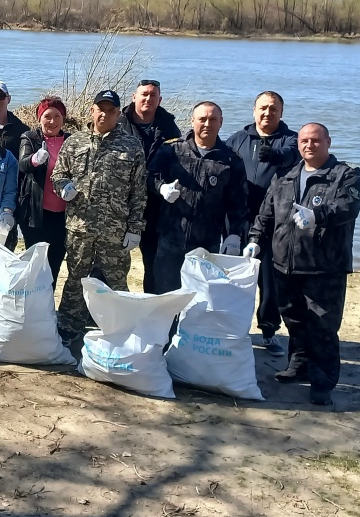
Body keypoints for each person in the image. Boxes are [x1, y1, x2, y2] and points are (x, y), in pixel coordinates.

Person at [243, 123, 360, 406]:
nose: (309, 145)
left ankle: (323, 382)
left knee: (322, 325)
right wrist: (255, 240)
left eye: (315, 140)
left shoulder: (345, 175)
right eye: (303, 141)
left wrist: (318, 215)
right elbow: (266, 214)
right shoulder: (286, 176)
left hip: (324, 267)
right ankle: (298, 366)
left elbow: (349, 207)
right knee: (294, 320)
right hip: (285, 264)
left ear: (328, 142)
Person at [51, 90, 147, 338]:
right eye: (100, 109)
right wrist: (65, 188)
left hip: (114, 230)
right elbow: (58, 175)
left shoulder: (131, 146)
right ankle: (69, 328)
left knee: (116, 283)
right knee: (75, 279)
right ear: (92, 110)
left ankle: (121, 330)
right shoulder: (75, 142)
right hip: (79, 227)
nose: (105, 114)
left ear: (118, 113)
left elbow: (138, 192)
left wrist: (135, 228)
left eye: (111, 110)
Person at [146, 101, 249, 294]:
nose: (207, 124)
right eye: (202, 119)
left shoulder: (230, 160)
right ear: (193, 121)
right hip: (170, 239)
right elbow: (149, 176)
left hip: (207, 244)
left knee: (199, 299)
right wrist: (161, 188)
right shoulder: (172, 150)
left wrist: (234, 235)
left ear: (221, 122)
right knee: (165, 296)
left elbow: (238, 203)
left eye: (213, 119)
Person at [226, 91, 300, 356]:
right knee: (233, 280)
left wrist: (275, 155)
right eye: (263, 108)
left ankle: (269, 331)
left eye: (273, 109)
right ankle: (233, 328)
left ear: (281, 112)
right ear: (254, 110)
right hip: (238, 220)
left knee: (270, 283)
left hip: (274, 225)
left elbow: (292, 155)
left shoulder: (291, 140)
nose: (268, 113)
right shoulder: (237, 139)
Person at [116, 79, 182, 292]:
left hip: (155, 206)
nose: (148, 99)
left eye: (153, 95)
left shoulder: (169, 127)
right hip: (120, 203)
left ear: (159, 100)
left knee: (153, 264)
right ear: (133, 97)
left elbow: (177, 164)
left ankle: (152, 311)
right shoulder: (118, 123)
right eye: (144, 94)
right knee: (112, 262)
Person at [16, 97, 70, 286]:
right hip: (36, 214)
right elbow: (23, 165)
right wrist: (35, 160)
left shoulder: (71, 141)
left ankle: (47, 311)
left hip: (64, 216)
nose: (52, 121)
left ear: (63, 118)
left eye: (57, 116)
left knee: (54, 264)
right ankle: (31, 307)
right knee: (36, 264)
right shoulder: (30, 138)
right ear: (39, 118)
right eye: (47, 116)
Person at [0, 79, 30, 248]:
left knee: (7, 245)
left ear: (8, 98)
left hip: (11, 196)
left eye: (0, 96)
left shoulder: (22, 130)